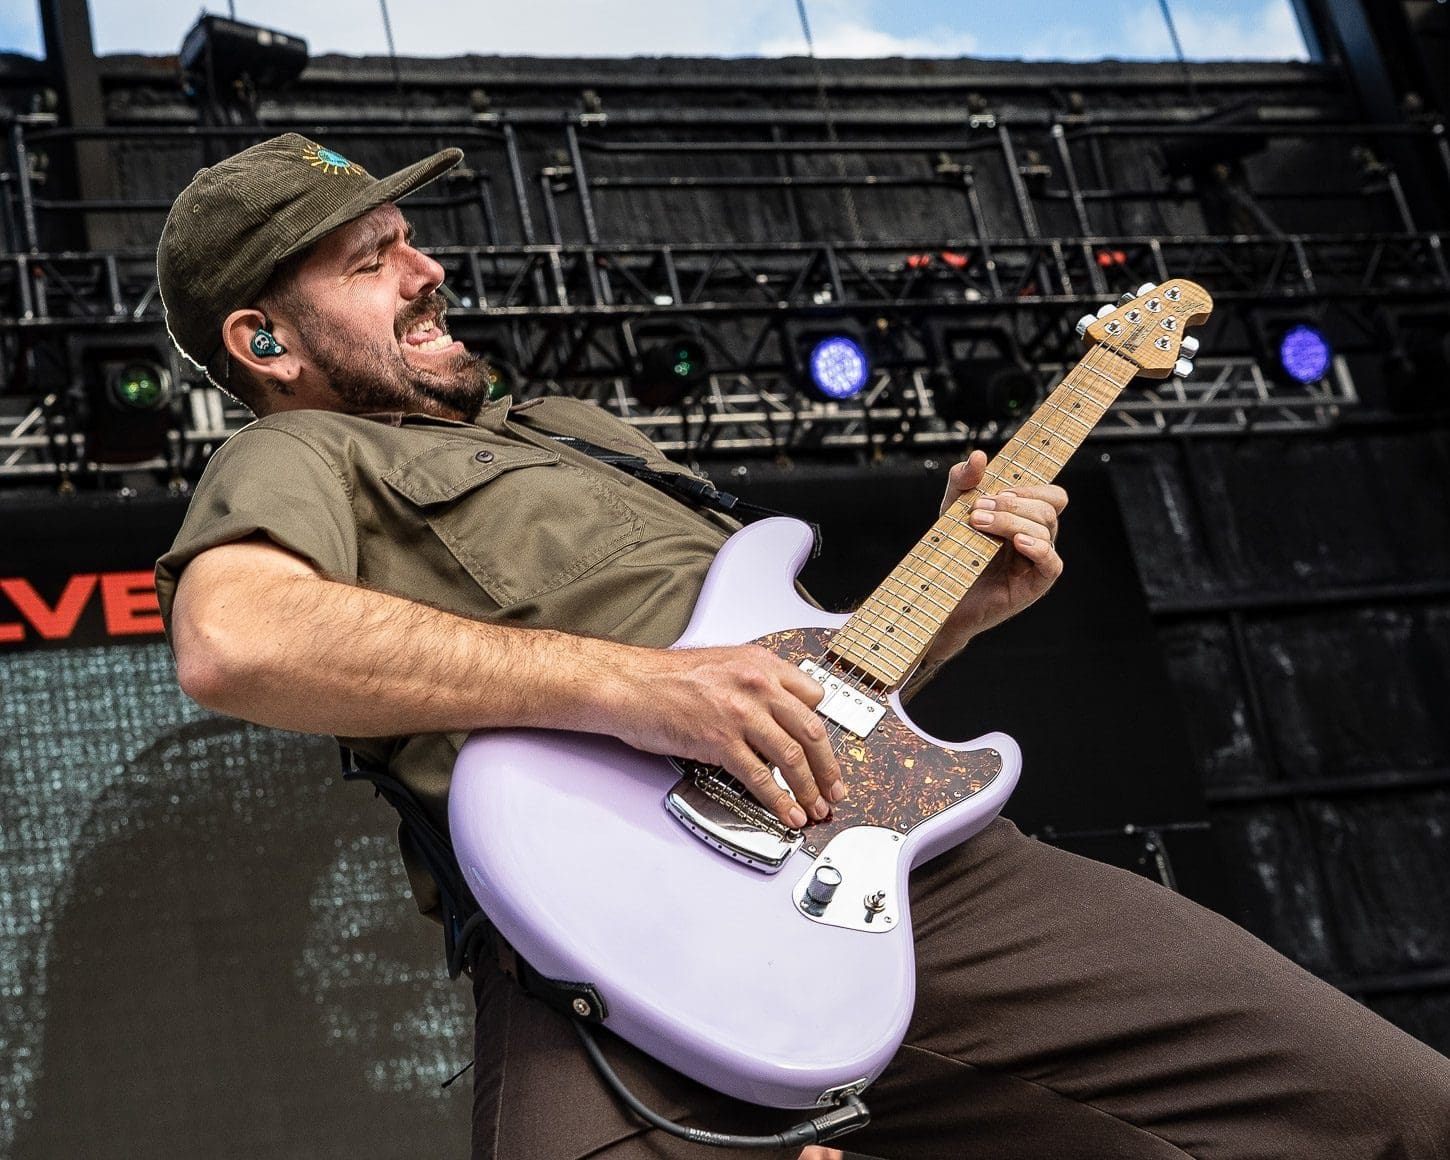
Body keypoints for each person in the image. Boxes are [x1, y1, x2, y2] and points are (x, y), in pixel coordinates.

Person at [154, 135, 1450, 1160]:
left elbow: (794, 694)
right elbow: (235, 636)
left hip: (914, 871)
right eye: (367, 260)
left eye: (408, 238)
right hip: (615, 930)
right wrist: (637, 688)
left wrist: (952, 612)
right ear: (265, 340)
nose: (424, 267)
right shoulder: (299, 450)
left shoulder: (582, 426)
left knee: (1395, 1107)